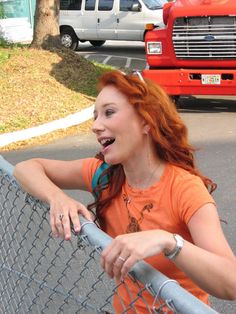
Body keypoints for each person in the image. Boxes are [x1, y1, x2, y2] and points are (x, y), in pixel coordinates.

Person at [14, 70, 236, 312]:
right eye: (95, 116)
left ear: (146, 121)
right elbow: (26, 167)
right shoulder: (103, 174)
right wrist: (57, 198)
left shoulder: (185, 189)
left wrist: (168, 242)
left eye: (109, 113)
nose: (95, 126)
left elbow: (231, 283)